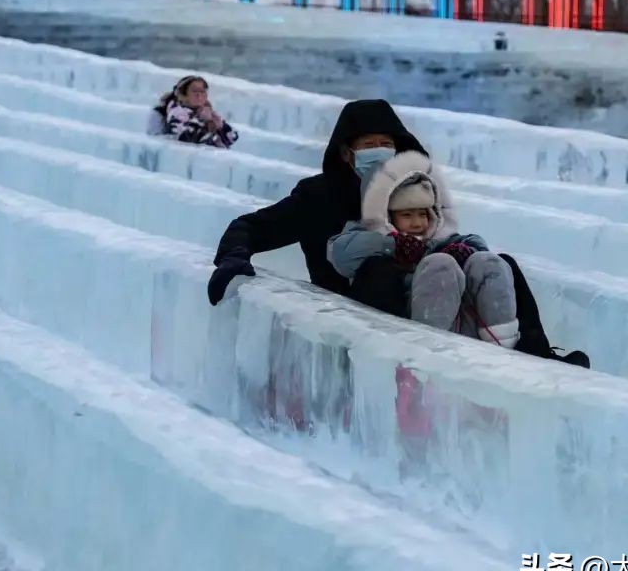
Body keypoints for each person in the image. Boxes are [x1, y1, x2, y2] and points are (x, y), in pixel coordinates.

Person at [208, 99, 587, 366]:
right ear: (346, 154)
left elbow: (440, 232)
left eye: (387, 145)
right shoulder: (318, 196)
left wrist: (460, 251)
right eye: (369, 146)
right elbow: (253, 227)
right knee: (380, 270)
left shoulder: (410, 190)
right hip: (357, 305)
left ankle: (535, 354)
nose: (380, 152)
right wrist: (233, 256)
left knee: (500, 264)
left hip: (434, 289)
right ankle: (416, 365)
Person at [327, 151, 522, 348]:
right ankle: (427, 357)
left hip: (465, 326)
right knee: (440, 265)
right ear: (387, 215)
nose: (417, 223)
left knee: (488, 262)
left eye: (423, 214)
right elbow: (342, 254)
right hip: (411, 326)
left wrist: (464, 250)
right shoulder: (368, 233)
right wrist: (394, 245)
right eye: (407, 214)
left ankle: (503, 348)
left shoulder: (437, 237)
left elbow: (474, 242)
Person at [147, 75, 238, 148]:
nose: (199, 95)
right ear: (183, 96)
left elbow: (233, 137)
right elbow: (184, 140)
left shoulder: (209, 113)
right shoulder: (176, 113)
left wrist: (220, 127)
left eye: (202, 92)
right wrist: (201, 121)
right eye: (194, 91)